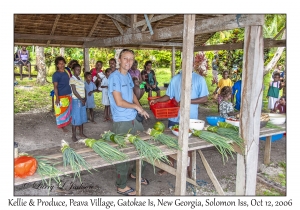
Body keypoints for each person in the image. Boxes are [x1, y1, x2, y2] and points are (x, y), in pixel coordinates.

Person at [149, 67, 209, 177]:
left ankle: (188, 169)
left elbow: (205, 98)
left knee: (188, 146)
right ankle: (169, 166)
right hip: (174, 117)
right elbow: (168, 96)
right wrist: (157, 100)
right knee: (171, 143)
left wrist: (187, 101)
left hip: (190, 118)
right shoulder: (176, 79)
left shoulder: (199, 79)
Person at [108, 49, 150, 196]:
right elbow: (119, 102)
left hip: (133, 118)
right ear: (119, 59)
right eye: (125, 58)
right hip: (122, 121)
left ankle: (135, 174)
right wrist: (136, 107)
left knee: (144, 146)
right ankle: (121, 186)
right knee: (123, 154)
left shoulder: (128, 76)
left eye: (131, 59)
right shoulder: (114, 78)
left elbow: (132, 94)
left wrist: (139, 108)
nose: (128, 62)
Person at [52, 56, 72, 132]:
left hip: (68, 94)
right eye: (59, 64)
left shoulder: (66, 71)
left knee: (67, 111)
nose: (61, 65)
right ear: (57, 65)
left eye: (63, 63)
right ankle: (62, 125)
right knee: (60, 112)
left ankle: (66, 123)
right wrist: (57, 98)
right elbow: (55, 87)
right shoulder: (56, 74)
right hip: (60, 96)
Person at [70, 64, 88, 142]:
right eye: (77, 69)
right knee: (75, 118)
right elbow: (74, 91)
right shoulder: (72, 79)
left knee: (81, 116)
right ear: (73, 70)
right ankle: (73, 135)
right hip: (76, 100)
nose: (79, 71)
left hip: (82, 100)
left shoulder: (80, 78)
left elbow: (84, 89)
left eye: (79, 69)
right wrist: (81, 99)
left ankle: (81, 133)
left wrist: (85, 98)